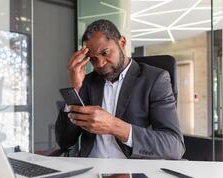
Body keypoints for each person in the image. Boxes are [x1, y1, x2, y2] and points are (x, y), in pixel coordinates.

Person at [55, 19, 185, 159]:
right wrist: (76, 88)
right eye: (92, 59)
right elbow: (64, 141)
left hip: (131, 174)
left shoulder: (155, 80)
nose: (100, 64)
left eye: (105, 53)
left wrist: (114, 126)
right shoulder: (87, 82)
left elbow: (174, 146)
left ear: (122, 42)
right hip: (89, 169)